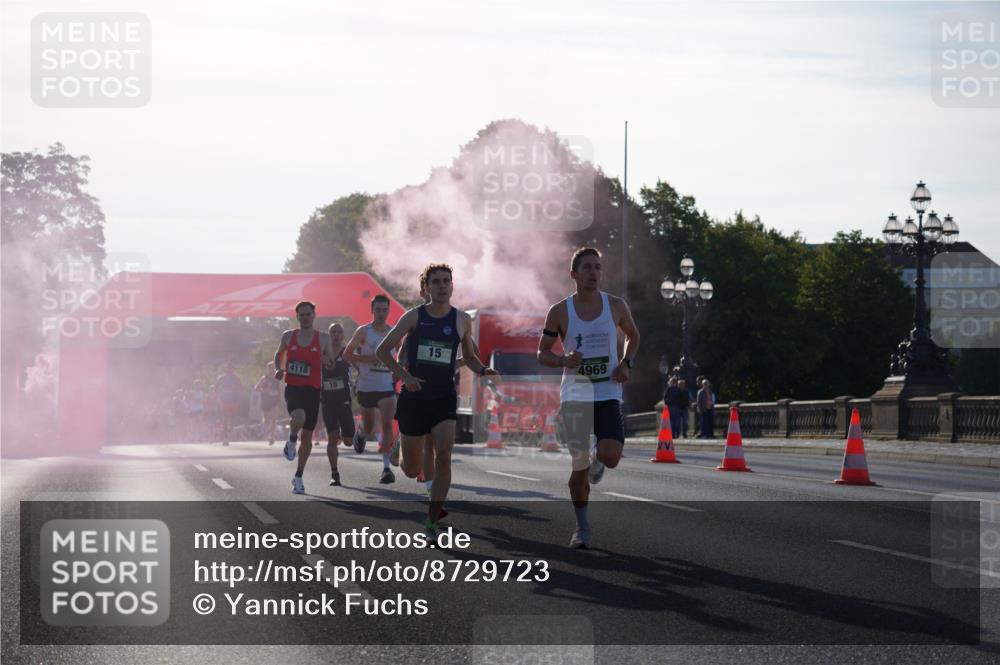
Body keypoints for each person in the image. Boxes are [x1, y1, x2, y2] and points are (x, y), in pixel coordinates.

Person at [375, 264, 499, 544]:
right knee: (410, 469)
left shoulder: (462, 320)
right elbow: (382, 351)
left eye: (447, 281)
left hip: (443, 397)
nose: (442, 286)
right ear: (426, 288)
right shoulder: (414, 317)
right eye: (437, 282)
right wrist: (405, 377)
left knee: (444, 454)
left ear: (452, 286)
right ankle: (399, 448)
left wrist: (482, 371)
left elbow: (469, 357)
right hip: (415, 398)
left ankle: (431, 521)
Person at [537, 247, 640, 549]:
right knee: (578, 468)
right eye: (587, 268)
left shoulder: (616, 305)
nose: (593, 273)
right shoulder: (559, 311)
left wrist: (626, 364)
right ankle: (581, 528)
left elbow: (634, 335)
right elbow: (541, 353)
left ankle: (598, 458)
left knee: (610, 457)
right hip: (576, 395)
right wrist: (563, 360)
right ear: (574, 274)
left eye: (597, 267)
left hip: (607, 391)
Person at [272, 301, 336, 494]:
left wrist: (327, 361)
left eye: (308, 314)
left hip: (313, 390)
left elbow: (331, 363)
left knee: (307, 436)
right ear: (297, 316)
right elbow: (278, 354)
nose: (305, 317)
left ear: (314, 315)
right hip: (293, 388)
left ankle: (298, 476)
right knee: (298, 417)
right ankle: (291, 440)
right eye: (301, 314)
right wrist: (278, 369)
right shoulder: (288, 336)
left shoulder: (323, 338)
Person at [345, 294, 400, 484]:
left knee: (386, 424)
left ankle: (386, 469)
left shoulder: (394, 333)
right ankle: (360, 433)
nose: (382, 314)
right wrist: (368, 360)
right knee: (369, 427)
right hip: (367, 386)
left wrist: (397, 373)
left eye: (385, 310)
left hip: (386, 386)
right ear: (372, 311)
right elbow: (346, 354)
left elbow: (398, 358)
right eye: (378, 310)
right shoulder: (364, 332)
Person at [320, 322, 355, 486]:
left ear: (343, 335)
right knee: (332, 438)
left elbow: (360, 367)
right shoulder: (322, 353)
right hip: (327, 401)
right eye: (333, 331)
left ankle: (358, 432)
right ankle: (334, 473)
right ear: (329, 334)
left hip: (344, 400)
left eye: (339, 332)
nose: (336, 334)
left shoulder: (347, 351)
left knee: (348, 441)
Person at [214, 363, 243, 446]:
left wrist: (238, 397)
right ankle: (225, 438)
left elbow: (241, 388)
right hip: (224, 400)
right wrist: (218, 397)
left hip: (233, 400)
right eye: (228, 368)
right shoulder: (221, 378)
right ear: (226, 369)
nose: (229, 370)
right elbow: (216, 388)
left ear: (233, 369)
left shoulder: (236, 378)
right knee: (225, 418)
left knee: (232, 419)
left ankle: (229, 430)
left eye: (231, 368)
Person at [255, 362, 282, 445]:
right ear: (268, 369)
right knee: (267, 420)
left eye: (273, 368)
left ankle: (271, 437)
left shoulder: (277, 378)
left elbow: (280, 389)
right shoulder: (264, 378)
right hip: (266, 401)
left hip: (274, 401)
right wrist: (265, 391)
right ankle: (267, 431)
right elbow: (256, 388)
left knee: (273, 419)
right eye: (270, 368)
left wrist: (279, 398)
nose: (272, 369)